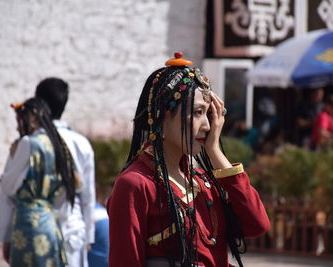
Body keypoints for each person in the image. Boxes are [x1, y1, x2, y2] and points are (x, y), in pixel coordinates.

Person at [107, 53, 270, 267]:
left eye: (208, 114)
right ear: (162, 116)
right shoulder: (136, 184)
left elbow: (257, 225)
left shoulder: (204, 182)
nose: (207, 126)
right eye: (197, 113)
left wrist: (215, 151)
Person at [0, 98, 78, 266]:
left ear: (31, 117)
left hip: (29, 226)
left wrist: (12, 157)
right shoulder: (59, 143)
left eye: (20, 121)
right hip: (51, 223)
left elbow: (8, 187)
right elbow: (67, 190)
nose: (18, 127)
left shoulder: (28, 144)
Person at [35, 77, 96, 267]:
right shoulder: (80, 143)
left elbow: (11, 192)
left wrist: (6, 234)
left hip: (37, 232)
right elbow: (88, 196)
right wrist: (88, 236)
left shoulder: (30, 143)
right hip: (73, 230)